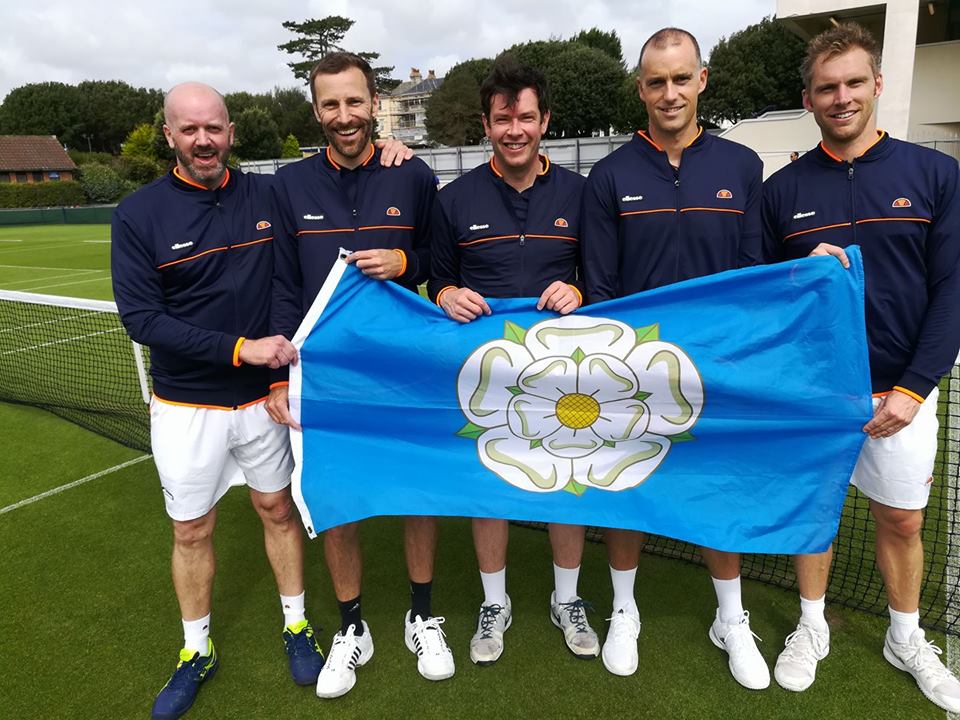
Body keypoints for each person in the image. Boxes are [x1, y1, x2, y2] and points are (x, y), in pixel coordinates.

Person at [761, 23, 960, 712]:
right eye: (826, 88)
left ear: (876, 85)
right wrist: (795, 276)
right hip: (815, 397)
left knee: (902, 522)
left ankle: (905, 638)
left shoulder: (934, 174)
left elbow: (951, 290)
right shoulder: (781, 190)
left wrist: (912, 388)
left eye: (852, 83)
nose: (841, 98)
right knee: (815, 514)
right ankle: (811, 626)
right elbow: (765, 299)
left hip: (900, 393)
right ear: (809, 99)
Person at [111, 82, 324, 720]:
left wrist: (275, 365)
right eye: (189, 130)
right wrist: (242, 349)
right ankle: (195, 650)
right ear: (169, 135)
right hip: (186, 408)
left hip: (263, 402)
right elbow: (143, 320)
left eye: (214, 128)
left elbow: (289, 282)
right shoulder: (137, 214)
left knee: (279, 511)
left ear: (231, 132)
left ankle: (296, 625)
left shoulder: (267, 195)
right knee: (192, 528)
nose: (203, 140)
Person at [581, 28, 768, 688]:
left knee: (719, 495)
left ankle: (731, 617)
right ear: (641, 89)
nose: (669, 93)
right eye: (656, 82)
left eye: (680, 79)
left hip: (719, 373)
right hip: (633, 376)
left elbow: (753, 278)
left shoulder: (744, 167)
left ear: (702, 80)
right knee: (629, 493)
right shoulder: (607, 176)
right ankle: (624, 612)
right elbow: (599, 288)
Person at [266, 52, 452, 698]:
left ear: (375, 104)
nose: (344, 116)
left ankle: (422, 613)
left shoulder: (414, 174)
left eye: (355, 102)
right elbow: (281, 288)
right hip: (323, 377)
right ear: (315, 110)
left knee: (415, 494)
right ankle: (353, 628)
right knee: (337, 501)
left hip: (403, 372)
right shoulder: (286, 186)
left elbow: (441, 259)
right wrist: (274, 379)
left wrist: (404, 258)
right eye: (330, 105)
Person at [428, 58, 598, 666]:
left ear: (545, 120)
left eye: (527, 117)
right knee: (488, 490)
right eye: (504, 119)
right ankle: (494, 602)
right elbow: (437, 280)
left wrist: (579, 293)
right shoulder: (455, 199)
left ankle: (567, 599)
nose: (515, 129)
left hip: (568, 374)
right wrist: (444, 294)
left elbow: (602, 283)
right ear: (487, 123)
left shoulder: (582, 194)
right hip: (486, 376)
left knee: (567, 485)